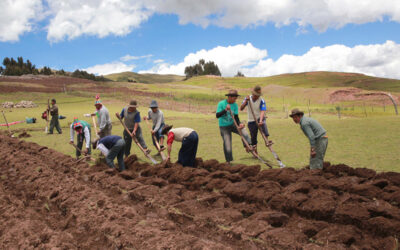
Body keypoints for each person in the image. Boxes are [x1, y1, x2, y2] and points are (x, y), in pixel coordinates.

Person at [216, 89, 252, 163]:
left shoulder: (235, 105)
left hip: (233, 124)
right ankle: (228, 161)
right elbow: (217, 115)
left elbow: (236, 117)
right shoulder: (221, 103)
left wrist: (240, 124)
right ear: (229, 97)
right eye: (234, 98)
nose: (235, 100)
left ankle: (248, 146)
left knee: (243, 131)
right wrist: (225, 110)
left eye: (236, 98)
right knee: (227, 143)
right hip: (224, 126)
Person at [240, 86, 270, 154]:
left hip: (260, 118)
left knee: (264, 125)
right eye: (256, 95)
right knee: (253, 137)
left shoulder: (261, 100)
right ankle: (255, 150)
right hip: (251, 120)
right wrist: (246, 101)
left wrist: (261, 121)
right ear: (253, 94)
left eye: (258, 95)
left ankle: (266, 141)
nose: (257, 97)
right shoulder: (247, 99)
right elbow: (241, 108)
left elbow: (263, 111)